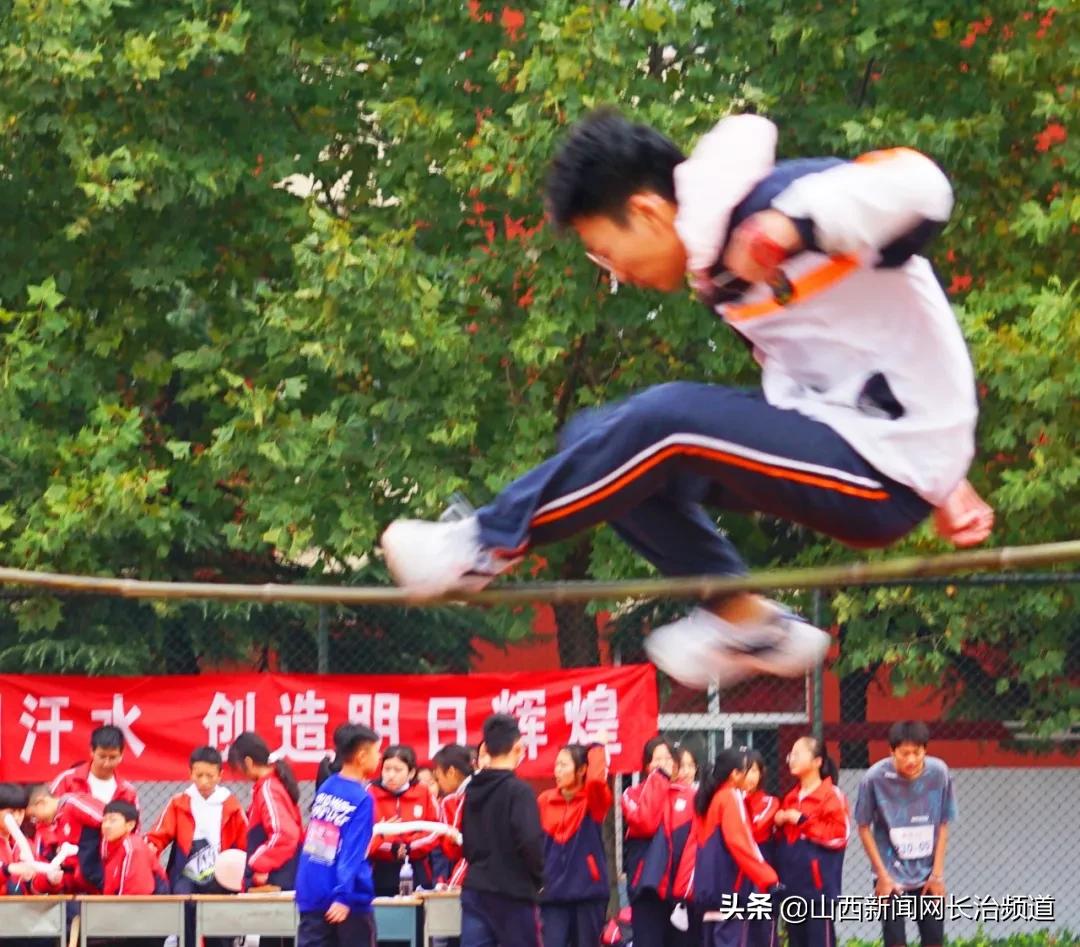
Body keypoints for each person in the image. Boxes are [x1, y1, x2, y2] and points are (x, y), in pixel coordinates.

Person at [380, 109, 994, 691]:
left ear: (647, 212)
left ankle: (482, 545)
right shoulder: (718, 272)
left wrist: (794, 225)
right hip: (868, 443)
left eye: (605, 253)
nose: (614, 274)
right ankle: (745, 620)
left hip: (885, 469)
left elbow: (922, 187)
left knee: (665, 423)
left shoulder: (772, 204)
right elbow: (847, 349)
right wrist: (946, 473)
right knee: (599, 442)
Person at [855, 721, 956, 947]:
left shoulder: (939, 773)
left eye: (916, 753)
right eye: (904, 753)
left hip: (928, 874)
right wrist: (881, 875)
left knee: (934, 940)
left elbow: (943, 823)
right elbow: (863, 827)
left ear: (925, 750)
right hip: (890, 875)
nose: (911, 760)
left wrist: (937, 875)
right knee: (895, 941)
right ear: (892, 751)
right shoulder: (874, 778)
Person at [459, 713, 544, 947]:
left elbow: (466, 843)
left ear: (485, 747)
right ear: (519, 748)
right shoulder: (519, 791)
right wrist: (539, 878)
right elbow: (529, 841)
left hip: (476, 887)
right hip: (513, 891)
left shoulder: (472, 790)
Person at [296, 723, 382, 947]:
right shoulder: (362, 799)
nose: (379, 757)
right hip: (348, 902)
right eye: (376, 751)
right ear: (362, 756)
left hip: (313, 894)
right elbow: (352, 851)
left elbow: (318, 844)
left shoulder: (327, 787)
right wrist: (344, 896)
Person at [694, 748, 780, 947]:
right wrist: (770, 879)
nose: (749, 775)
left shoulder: (710, 799)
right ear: (735, 774)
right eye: (746, 769)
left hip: (711, 894)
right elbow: (741, 843)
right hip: (731, 892)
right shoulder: (730, 796)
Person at [621, 737, 698, 947]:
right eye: (657, 759)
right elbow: (644, 822)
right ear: (647, 765)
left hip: (679, 891)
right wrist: (658, 780)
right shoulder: (632, 794)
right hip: (647, 890)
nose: (664, 763)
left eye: (667, 758)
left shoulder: (690, 796)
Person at [775, 737, 850, 947]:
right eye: (791, 755)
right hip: (791, 888)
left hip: (818, 892)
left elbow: (839, 835)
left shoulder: (831, 795)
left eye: (798, 754)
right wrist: (779, 824)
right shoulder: (790, 798)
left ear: (817, 761)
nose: (791, 759)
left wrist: (799, 820)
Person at [537, 743, 612, 947]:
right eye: (556, 765)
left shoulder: (593, 801)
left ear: (581, 770)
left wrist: (597, 748)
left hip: (587, 894)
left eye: (563, 765)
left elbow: (597, 781)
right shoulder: (544, 801)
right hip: (552, 895)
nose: (557, 771)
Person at [147, 745, 248, 893]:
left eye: (210, 776)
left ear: (220, 775)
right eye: (199, 775)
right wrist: (149, 854)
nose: (204, 781)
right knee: (181, 901)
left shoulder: (231, 806)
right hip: (186, 874)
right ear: (190, 773)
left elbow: (245, 844)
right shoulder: (179, 803)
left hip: (222, 876)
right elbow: (157, 837)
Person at [227, 732, 304, 890]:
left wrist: (259, 864)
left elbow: (284, 835)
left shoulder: (269, 790)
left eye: (238, 767)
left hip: (278, 881)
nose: (240, 774)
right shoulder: (270, 786)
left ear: (248, 762)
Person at [368, 744, 441, 896]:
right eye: (387, 769)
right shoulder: (369, 793)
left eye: (398, 770)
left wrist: (410, 847)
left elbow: (435, 830)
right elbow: (364, 834)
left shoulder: (424, 792)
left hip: (417, 868)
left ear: (411, 772)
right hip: (379, 870)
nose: (391, 775)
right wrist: (391, 847)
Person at [24, 784, 105, 893]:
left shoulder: (73, 805)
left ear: (41, 803)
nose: (35, 821)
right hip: (74, 894)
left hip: (103, 886)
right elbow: (38, 875)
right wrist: (50, 881)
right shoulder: (42, 832)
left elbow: (113, 824)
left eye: (33, 816)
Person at [742, 750, 780, 947]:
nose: (749, 776)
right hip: (737, 878)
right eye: (745, 770)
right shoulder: (729, 800)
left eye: (754, 770)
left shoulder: (770, 802)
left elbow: (753, 828)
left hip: (761, 879)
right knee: (740, 932)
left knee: (763, 933)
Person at [50, 724, 139, 806]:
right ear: (92, 751)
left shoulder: (128, 791)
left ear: (121, 755)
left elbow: (134, 823)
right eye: (102, 756)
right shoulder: (67, 780)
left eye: (112, 757)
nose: (106, 763)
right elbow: (46, 815)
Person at [100, 800, 168, 895]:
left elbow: (136, 892)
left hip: (147, 907)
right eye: (104, 820)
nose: (106, 825)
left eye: (113, 820)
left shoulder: (133, 847)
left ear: (130, 825)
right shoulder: (113, 847)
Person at [432, 743, 474, 888]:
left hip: (473, 873)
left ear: (450, 772)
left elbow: (454, 845)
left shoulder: (461, 798)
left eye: (438, 778)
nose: (439, 784)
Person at [0, 783, 31, 895]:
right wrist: (7, 869)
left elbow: (36, 886)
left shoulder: (25, 843)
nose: (17, 817)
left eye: (21, 812)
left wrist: (50, 880)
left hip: (21, 908)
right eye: (11, 812)